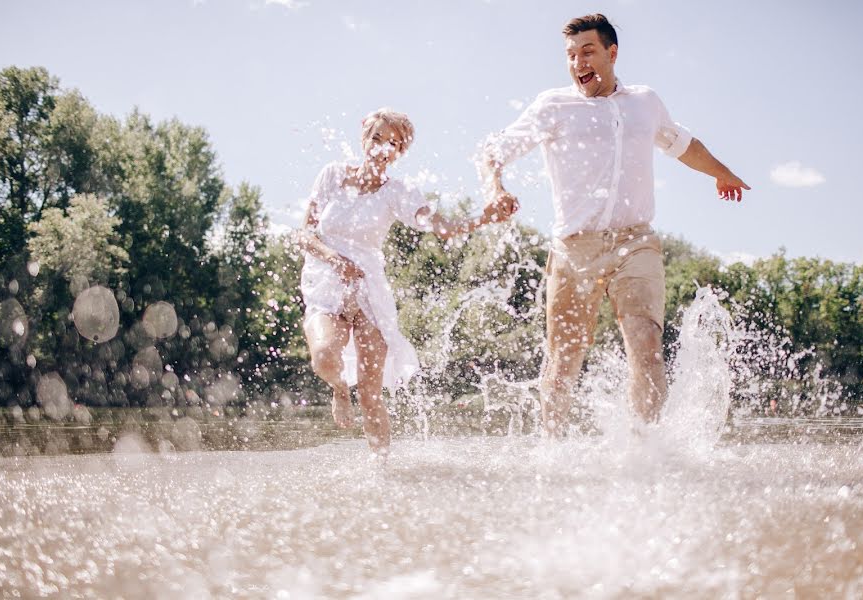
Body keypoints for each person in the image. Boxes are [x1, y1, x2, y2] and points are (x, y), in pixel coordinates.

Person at [480, 14, 750, 434]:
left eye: (587, 52)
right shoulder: (553, 106)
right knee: (563, 360)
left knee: (646, 345)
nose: (578, 63)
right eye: (570, 55)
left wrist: (722, 172)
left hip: (636, 241)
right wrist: (495, 188)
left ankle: (644, 452)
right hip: (574, 248)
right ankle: (551, 452)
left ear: (611, 53)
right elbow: (494, 152)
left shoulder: (644, 102)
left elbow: (683, 144)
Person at [297, 108, 511, 453]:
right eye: (377, 137)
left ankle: (382, 472)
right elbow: (304, 236)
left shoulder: (399, 192)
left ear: (399, 154)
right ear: (364, 138)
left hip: (369, 292)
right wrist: (335, 259)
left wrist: (482, 217)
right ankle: (339, 388)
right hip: (327, 285)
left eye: (393, 144)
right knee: (324, 356)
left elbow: (441, 227)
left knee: (370, 394)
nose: (383, 147)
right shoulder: (332, 175)